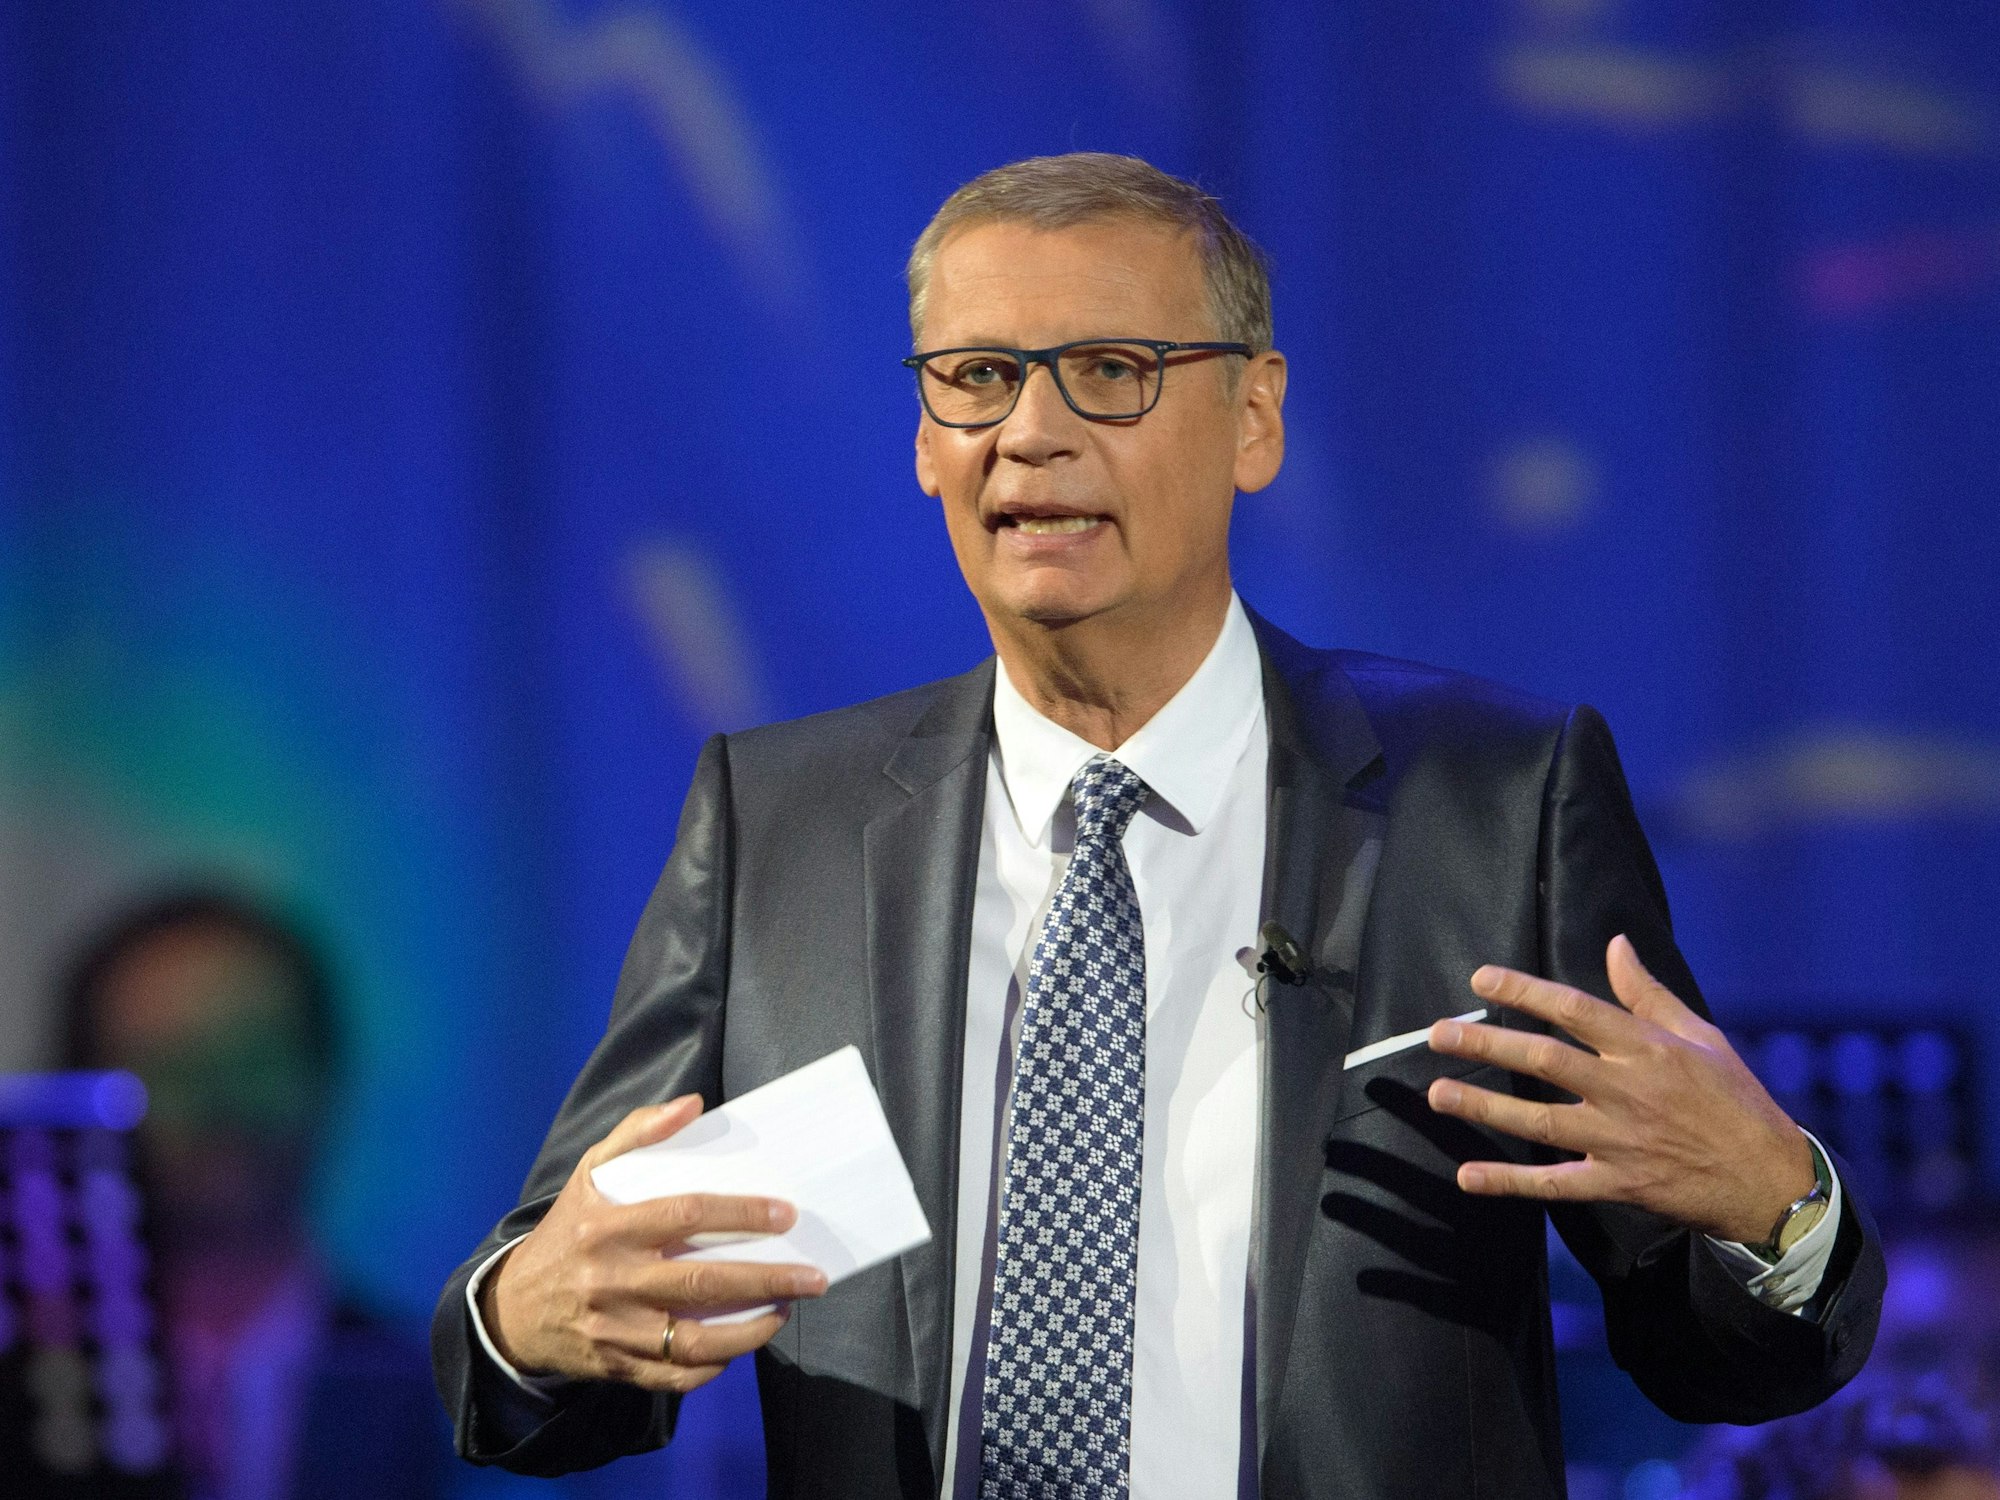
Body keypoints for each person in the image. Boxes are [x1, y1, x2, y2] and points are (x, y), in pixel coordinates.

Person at [432, 153, 1885, 1499]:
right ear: (926, 442)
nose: (1031, 433)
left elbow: (1714, 1360)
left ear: (1255, 420)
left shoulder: (1497, 796)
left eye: (1111, 373)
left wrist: (1775, 1206)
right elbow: (567, 1360)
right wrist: (526, 1316)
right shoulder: (779, 823)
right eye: (978, 378)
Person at [65, 890, 447, 1500]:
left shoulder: (444, 1404)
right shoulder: (37, 1401)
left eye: (254, 1054)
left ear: (325, 1074)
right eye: (171, 1066)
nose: (221, 1100)